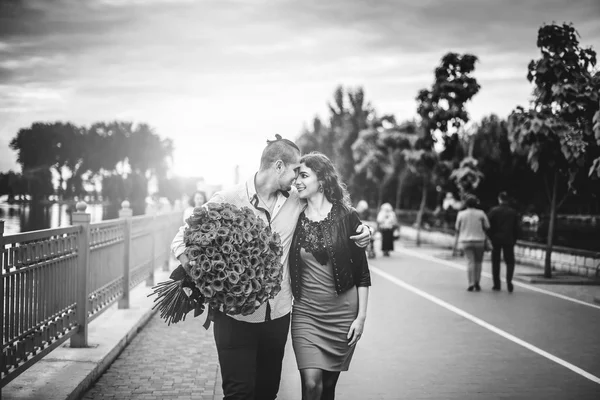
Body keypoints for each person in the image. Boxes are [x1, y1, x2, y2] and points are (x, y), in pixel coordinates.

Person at [170, 135, 371, 400]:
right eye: (294, 171)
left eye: (302, 174)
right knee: (238, 394)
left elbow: (332, 211)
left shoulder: (295, 200)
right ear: (278, 166)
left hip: (276, 317)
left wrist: (366, 230)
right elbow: (180, 239)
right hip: (234, 317)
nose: (297, 179)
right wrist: (201, 273)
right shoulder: (228, 198)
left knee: (267, 393)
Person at [290, 152, 370, 400]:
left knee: (327, 389)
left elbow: (362, 273)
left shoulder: (347, 217)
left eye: (304, 175)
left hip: (341, 316)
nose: (298, 181)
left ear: (322, 180)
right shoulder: (294, 216)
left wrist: (361, 318)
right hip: (306, 314)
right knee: (311, 385)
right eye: (296, 176)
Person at [455, 195, 490, 292]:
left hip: (466, 241)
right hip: (479, 241)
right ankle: (477, 282)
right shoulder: (481, 213)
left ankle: (470, 283)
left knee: (470, 262)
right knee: (478, 262)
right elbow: (487, 226)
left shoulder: (461, 214)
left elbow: (457, 227)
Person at [487, 191, 519, 293]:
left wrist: (490, 237)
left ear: (499, 199)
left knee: (495, 261)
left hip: (496, 240)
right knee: (510, 261)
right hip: (509, 239)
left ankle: (497, 284)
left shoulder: (494, 211)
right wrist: (514, 239)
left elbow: (488, 226)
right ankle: (509, 280)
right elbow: (517, 228)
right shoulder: (513, 212)